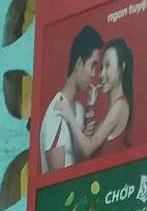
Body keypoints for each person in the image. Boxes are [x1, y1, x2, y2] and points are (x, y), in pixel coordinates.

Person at [53, 39, 134, 162]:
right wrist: (91, 105)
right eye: (101, 67)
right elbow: (87, 151)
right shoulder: (115, 107)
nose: (102, 74)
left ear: (122, 67)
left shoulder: (120, 106)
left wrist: (69, 116)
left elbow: (87, 149)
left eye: (108, 66)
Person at [39, 26, 102, 173]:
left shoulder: (79, 110)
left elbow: (79, 161)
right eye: (92, 65)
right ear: (79, 63)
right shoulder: (57, 111)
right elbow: (57, 177)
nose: (94, 74)